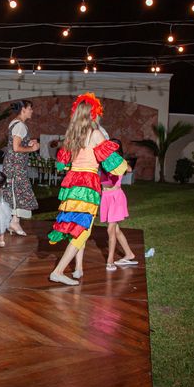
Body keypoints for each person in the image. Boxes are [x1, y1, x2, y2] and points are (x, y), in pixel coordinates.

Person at [48, 93, 128, 286]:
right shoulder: (95, 134)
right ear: (94, 113)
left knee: (78, 227)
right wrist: (123, 164)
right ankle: (58, 271)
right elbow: (114, 166)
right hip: (87, 186)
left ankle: (78, 268)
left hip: (72, 185)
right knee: (83, 228)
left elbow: (62, 164)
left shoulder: (72, 135)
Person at [2, 100, 40, 236]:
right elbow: (16, 147)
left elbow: (16, 142)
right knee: (17, 190)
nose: (32, 111)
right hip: (16, 165)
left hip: (14, 164)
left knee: (16, 190)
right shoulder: (20, 126)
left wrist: (28, 142)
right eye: (30, 108)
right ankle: (14, 221)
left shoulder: (15, 123)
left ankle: (14, 221)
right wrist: (32, 148)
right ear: (23, 109)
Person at [99, 138, 137, 271]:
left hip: (116, 198)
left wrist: (121, 163)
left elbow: (130, 169)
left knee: (110, 229)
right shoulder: (103, 161)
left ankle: (110, 261)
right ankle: (129, 254)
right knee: (115, 230)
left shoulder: (120, 162)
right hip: (106, 197)